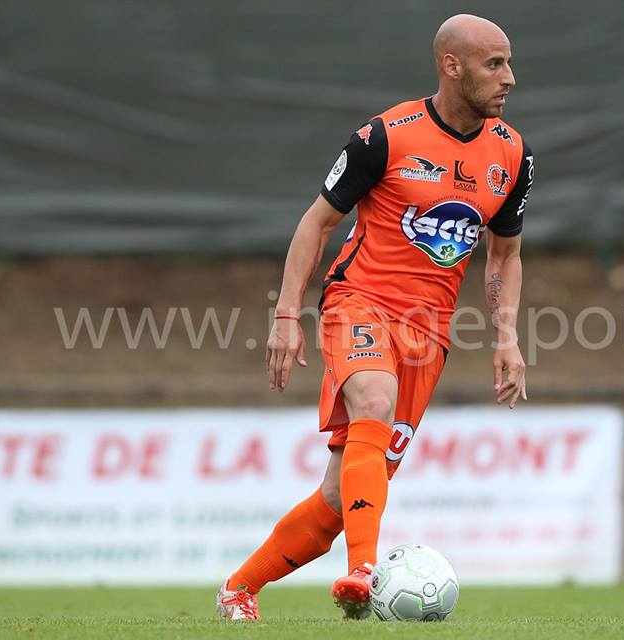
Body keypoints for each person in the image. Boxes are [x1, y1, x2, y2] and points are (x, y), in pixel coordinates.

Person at [216, 13, 534, 621]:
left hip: (428, 332)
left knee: (340, 499)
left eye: (509, 63)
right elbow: (317, 223)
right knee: (374, 399)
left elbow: (505, 254)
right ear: (452, 66)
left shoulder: (512, 153)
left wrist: (507, 338)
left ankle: (238, 589)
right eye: (494, 64)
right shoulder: (385, 136)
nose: (509, 78)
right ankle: (364, 572)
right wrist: (286, 314)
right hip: (358, 300)